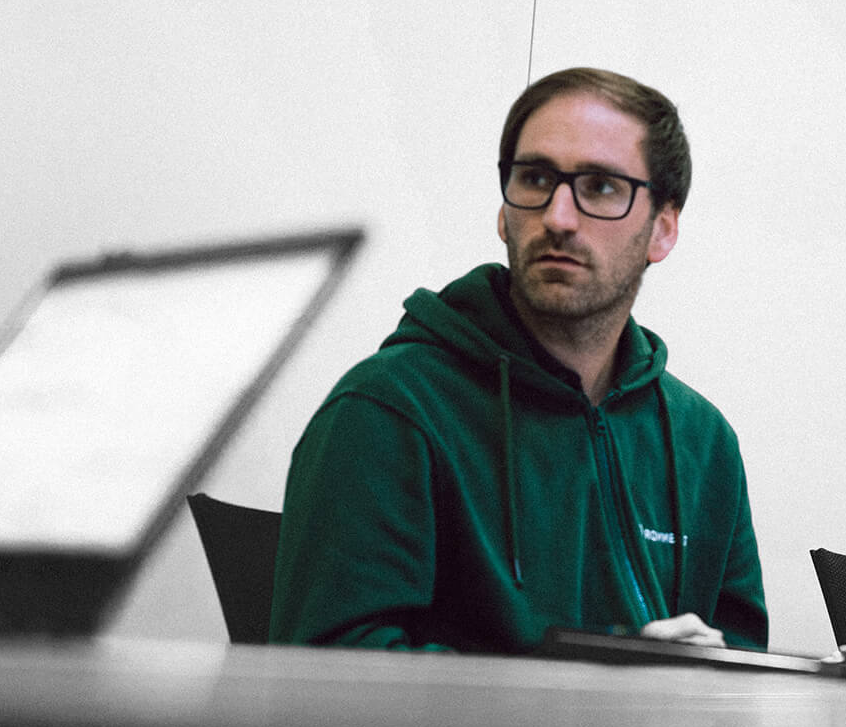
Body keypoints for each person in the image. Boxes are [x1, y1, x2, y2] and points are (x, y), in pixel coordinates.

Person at [271, 67, 767, 653]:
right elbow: (331, 680)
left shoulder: (702, 443)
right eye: (535, 179)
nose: (558, 216)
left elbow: (743, 661)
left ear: (662, 228)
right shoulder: (389, 410)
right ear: (506, 212)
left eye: (601, 187)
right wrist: (592, 703)